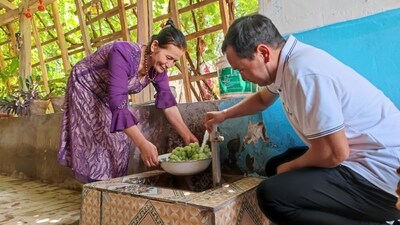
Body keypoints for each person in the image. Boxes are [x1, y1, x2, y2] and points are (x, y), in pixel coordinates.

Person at [204, 14, 400, 225]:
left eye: (242, 69)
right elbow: (262, 99)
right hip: (359, 157)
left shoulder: (303, 73)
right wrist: (224, 115)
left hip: (383, 180)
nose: (243, 77)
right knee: (274, 166)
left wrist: (290, 168)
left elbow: (334, 153)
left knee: (272, 196)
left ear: (263, 52)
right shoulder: (288, 60)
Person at [58, 19, 198, 183]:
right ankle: (95, 192)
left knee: (120, 141)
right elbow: (119, 104)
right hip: (85, 86)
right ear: (154, 46)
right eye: (168, 57)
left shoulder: (158, 67)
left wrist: (187, 134)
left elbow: (168, 103)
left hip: (106, 94)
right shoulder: (123, 53)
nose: (170, 65)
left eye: (174, 60)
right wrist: (143, 144)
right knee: (98, 138)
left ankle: (113, 189)